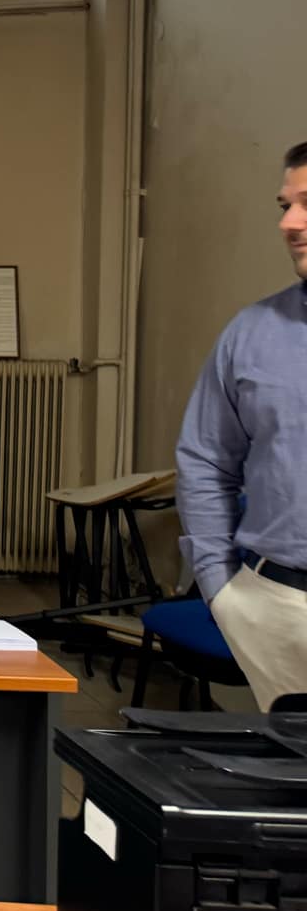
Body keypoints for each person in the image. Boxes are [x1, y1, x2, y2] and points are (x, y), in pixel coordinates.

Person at [176, 140, 307, 711]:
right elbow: (205, 458)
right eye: (285, 205)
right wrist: (219, 586)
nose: (289, 223)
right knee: (273, 767)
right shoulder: (252, 333)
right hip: (273, 610)